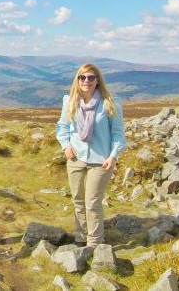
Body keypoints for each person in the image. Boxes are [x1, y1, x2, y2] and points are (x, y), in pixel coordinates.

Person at [55, 63, 127, 247]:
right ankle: (81, 237)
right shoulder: (70, 102)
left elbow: (118, 133)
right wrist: (65, 146)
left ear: (97, 80)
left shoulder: (109, 103)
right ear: (77, 80)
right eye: (82, 77)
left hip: (101, 161)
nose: (86, 81)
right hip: (75, 158)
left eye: (91, 77)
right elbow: (62, 127)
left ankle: (95, 243)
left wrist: (113, 156)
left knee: (92, 202)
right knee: (78, 200)